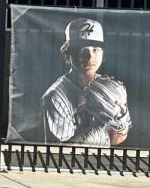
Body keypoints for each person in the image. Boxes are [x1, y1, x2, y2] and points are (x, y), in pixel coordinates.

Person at [42, 18, 130, 147]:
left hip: (103, 161)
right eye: (80, 48)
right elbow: (61, 153)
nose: (89, 57)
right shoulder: (55, 97)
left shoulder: (112, 89)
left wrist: (119, 123)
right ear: (67, 54)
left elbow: (117, 139)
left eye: (95, 49)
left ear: (102, 54)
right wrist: (101, 122)